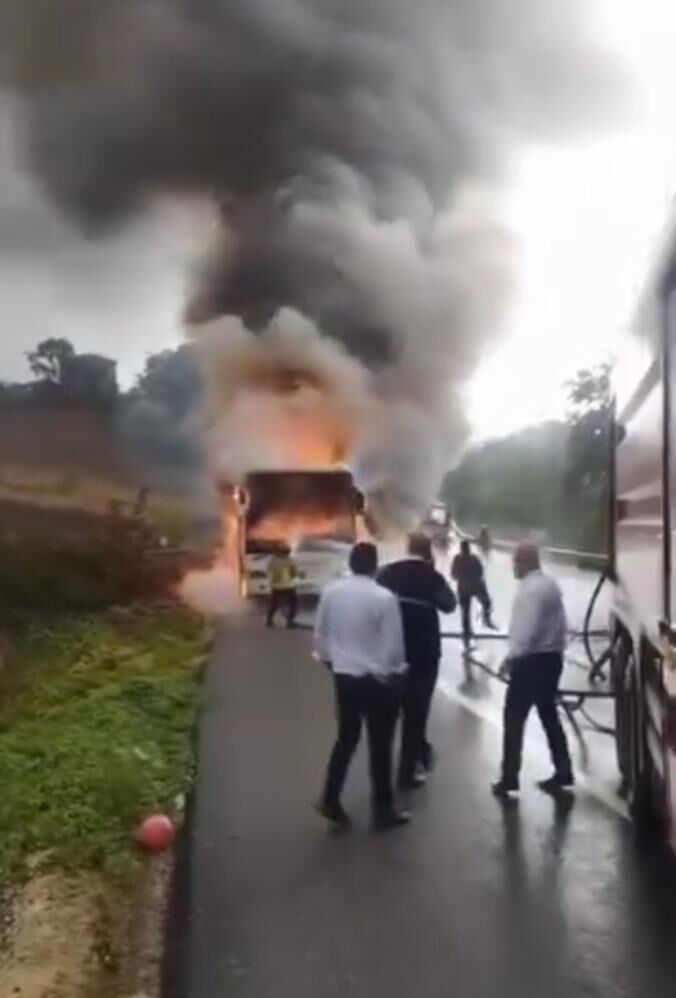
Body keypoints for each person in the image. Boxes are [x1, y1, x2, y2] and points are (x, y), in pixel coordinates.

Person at [314, 542, 410, 830]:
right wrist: (392, 675)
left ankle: (330, 799)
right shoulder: (385, 598)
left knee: (346, 739)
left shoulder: (331, 593)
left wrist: (334, 664)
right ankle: (383, 812)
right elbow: (393, 649)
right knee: (380, 747)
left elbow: (321, 637)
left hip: (345, 679)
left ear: (351, 563)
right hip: (378, 683)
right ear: (374, 566)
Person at [492, 542, 574, 798]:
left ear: (526, 561)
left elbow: (527, 631)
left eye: (516, 561)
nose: (513, 566)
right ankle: (563, 770)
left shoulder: (530, 591)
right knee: (549, 715)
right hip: (552, 659)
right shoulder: (550, 585)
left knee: (514, 719)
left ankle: (509, 778)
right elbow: (561, 626)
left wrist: (511, 658)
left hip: (530, 662)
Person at [378, 533, 456, 789]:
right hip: (424, 656)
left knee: (389, 715)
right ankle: (407, 772)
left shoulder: (387, 573)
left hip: (391, 654)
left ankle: (384, 776)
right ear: (427, 551)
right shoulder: (431, 577)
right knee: (416, 715)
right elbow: (449, 605)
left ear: (407, 548)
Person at [451, 539, 495, 648]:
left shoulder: (458, 559)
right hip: (475, 586)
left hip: (464, 589)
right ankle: (486, 619)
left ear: (461, 549)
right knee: (486, 602)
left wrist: (462, 578)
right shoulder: (473, 559)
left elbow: (453, 574)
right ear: (469, 549)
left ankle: (466, 636)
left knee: (465, 614)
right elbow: (480, 572)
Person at [266, 544, 298, 628]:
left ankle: (269, 620)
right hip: (288, 585)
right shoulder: (289, 561)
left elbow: (268, 571)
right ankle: (290, 622)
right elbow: (294, 573)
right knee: (293, 603)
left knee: (274, 604)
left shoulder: (272, 561)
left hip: (275, 586)